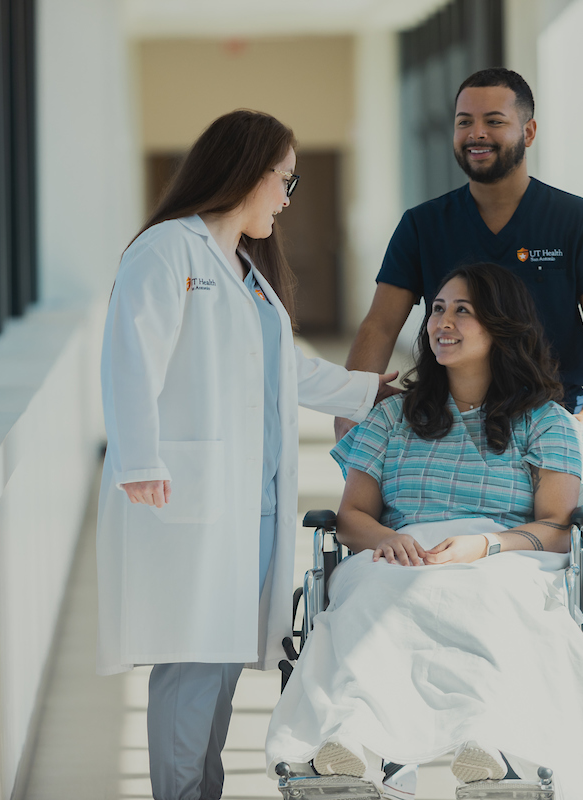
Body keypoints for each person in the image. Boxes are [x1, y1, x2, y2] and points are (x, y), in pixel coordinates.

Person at [97, 109, 396, 800]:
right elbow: (131, 359)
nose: (289, 198)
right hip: (187, 496)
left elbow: (283, 369)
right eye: (284, 180)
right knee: (193, 659)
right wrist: (139, 459)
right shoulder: (168, 250)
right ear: (245, 171)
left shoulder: (244, 269)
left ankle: (204, 789)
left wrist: (367, 390)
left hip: (248, 500)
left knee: (223, 660)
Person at [267, 263, 583, 800]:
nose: (442, 322)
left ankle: (486, 738)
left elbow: (559, 528)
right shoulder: (391, 417)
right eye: (438, 310)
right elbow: (352, 513)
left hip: (502, 557)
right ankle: (348, 737)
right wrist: (384, 539)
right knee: (368, 594)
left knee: (489, 593)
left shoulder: (549, 423)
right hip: (402, 552)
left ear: (502, 326)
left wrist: (485, 545)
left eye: (462, 311)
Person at [337, 67, 583, 449]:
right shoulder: (422, 225)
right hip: (448, 417)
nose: (477, 133)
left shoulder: (577, 220)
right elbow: (379, 324)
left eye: (494, 121)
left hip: (551, 416)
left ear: (528, 132)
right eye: (464, 122)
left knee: (553, 512)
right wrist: (349, 408)